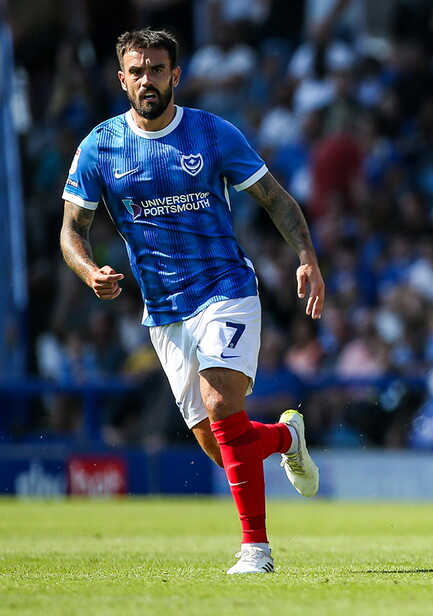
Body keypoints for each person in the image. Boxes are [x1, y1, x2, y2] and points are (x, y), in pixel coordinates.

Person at [59, 28, 324, 574]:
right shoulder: (100, 146)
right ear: (122, 79)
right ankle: (284, 436)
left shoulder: (211, 133)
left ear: (175, 75)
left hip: (225, 289)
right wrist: (88, 271)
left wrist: (307, 258)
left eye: (158, 69)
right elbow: (71, 230)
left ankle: (257, 550)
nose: (147, 80)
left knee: (223, 405)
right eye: (137, 71)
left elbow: (275, 198)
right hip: (163, 311)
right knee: (216, 442)